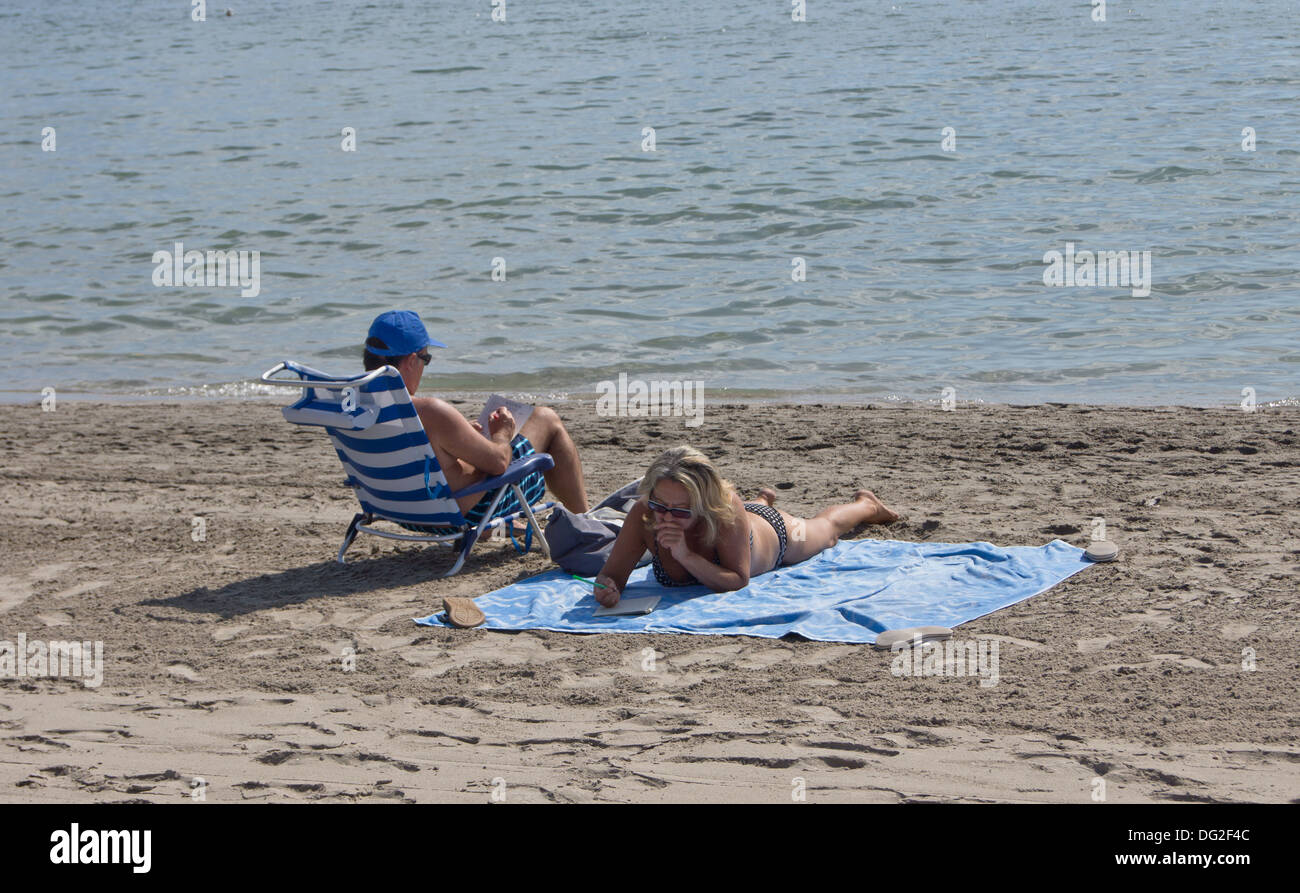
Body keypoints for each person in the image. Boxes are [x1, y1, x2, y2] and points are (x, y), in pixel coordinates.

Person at [593, 445, 899, 606]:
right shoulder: (646, 514)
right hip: (745, 522)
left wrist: (686, 555)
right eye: (660, 505)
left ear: (703, 505)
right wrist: (606, 590)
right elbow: (611, 575)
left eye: (681, 511)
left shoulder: (724, 509)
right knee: (749, 512)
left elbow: (738, 579)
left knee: (826, 531)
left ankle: (866, 504)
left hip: (773, 536)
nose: (667, 518)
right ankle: (762, 499)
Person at [362, 310, 589, 525]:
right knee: (546, 419)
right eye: (426, 358)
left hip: (396, 510)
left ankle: (496, 525)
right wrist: (502, 434)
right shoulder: (430, 412)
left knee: (472, 448)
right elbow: (499, 463)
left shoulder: (352, 406)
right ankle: (586, 522)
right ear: (412, 360)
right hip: (460, 514)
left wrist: (455, 441)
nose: (424, 367)